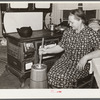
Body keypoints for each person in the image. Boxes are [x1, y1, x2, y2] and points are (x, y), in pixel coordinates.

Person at [39, 9, 100, 88]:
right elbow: (61, 46)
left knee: (63, 78)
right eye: (69, 22)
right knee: (51, 74)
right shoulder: (68, 32)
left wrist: (85, 57)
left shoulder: (91, 33)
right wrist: (46, 51)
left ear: (80, 20)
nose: (69, 24)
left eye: (72, 22)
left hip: (80, 64)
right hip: (65, 60)